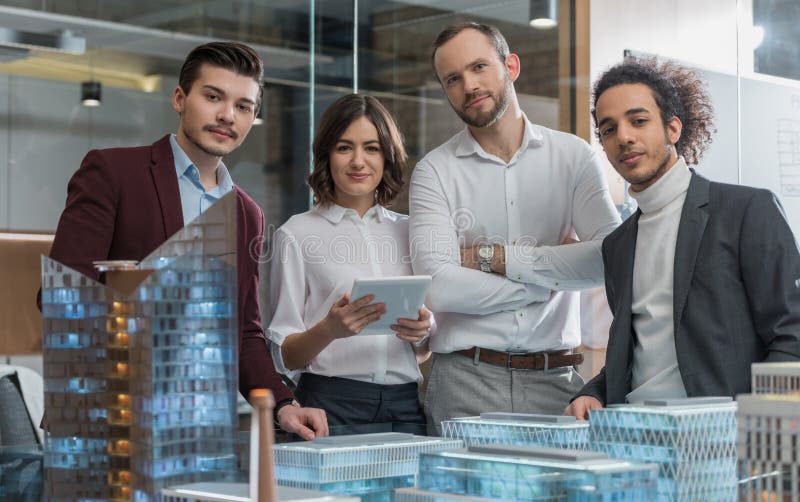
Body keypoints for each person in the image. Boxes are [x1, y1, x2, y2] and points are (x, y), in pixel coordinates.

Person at [45, 41, 327, 440]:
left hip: (196, 426)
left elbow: (243, 333)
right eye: (213, 97)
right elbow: (61, 293)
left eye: (243, 106)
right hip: (105, 417)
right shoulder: (114, 172)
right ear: (180, 98)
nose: (227, 115)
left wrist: (283, 404)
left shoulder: (247, 214)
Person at [409, 22, 620, 433]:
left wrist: (496, 259)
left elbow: (610, 259)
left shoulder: (573, 157)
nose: (469, 85)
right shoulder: (434, 172)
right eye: (453, 79)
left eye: (479, 67)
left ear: (511, 66)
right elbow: (438, 287)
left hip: (557, 383)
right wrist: (550, 278)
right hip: (463, 383)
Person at [566, 58, 800, 419]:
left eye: (638, 120)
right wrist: (592, 392)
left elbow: (792, 335)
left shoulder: (745, 210)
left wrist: (759, 433)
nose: (624, 137)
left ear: (673, 128)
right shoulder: (618, 245)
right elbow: (639, 353)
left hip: (721, 441)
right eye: (608, 129)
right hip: (633, 438)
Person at [267, 93, 432, 434]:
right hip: (330, 405)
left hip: (404, 406)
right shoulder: (296, 234)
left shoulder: (411, 231)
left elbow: (424, 349)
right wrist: (329, 329)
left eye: (371, 148)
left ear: (387, 157)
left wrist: (423, 332)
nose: (359, 161)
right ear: (327, 155)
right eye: (344, 147)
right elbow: (284, 356)